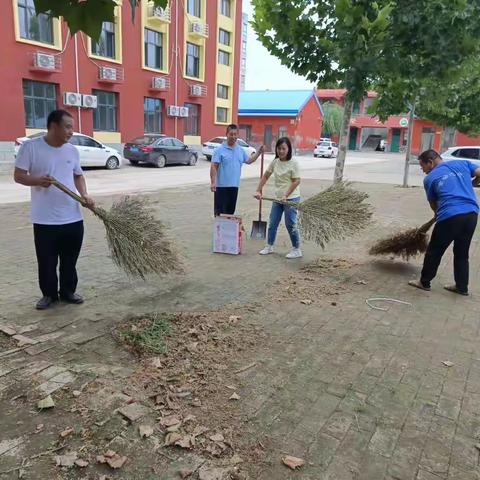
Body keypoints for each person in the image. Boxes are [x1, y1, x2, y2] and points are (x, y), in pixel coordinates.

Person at [14, 109, 95, 310]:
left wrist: (84, 194)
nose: (71, 132)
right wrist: (37, 181)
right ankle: (49, 295)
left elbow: (78, 175)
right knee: (47, 261)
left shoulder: (71, 151)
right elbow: (18, 175)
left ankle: (68, 291)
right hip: (44, 219)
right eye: (68, 127)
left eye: (72, 128)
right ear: (53, 126)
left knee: (70, 260)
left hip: (73, 217)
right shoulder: (30, 147)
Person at [408, 149, 480, 295]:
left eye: (423, 167)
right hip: (472, 214)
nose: (423, 171)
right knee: (462, 252)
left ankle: (424, 282)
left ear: (430, 162)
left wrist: (437, 214)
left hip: (450, 215)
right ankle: (461, 287)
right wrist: (474, 182)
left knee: (434, 250)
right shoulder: (462, 164)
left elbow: (434, 204)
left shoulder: (430, 179)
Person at [254, 137, 302, 259]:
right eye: (279, 148)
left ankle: (296, 249)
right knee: (273, 222)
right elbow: (265, 176)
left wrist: (286, 196)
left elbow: (296, 181)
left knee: (290, 223)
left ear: (288, 149)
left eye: (283, 148)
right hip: (278, 198)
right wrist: (258, 190)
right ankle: (269, 246)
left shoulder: (294, 163)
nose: (281, 151)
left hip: (291, 198)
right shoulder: (275, 162)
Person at [210, 124, 264, 215]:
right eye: (231, 134)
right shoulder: (219, 150)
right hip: (221, 187)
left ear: (237, 135)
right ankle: (220, 229)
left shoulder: (240, 150)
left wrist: (259, 152)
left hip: (234, 187)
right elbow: (214, 166)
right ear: (226, 134)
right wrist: (213, 182)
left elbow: (249, 160)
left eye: (235, 134)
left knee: (230, 213)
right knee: (219, 214)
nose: (233, 136)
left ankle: (228, 229)